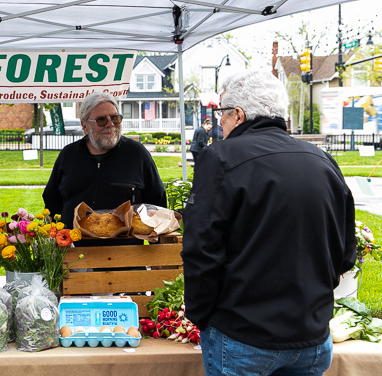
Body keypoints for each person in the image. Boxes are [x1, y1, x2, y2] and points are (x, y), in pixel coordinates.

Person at [181, 70, 356, 376]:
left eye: (223, 114)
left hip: (243, 335)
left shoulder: (220, 157)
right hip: (311, 336)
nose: (219, 122)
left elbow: (201, 249)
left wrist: (200, 314)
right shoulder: (321, 159)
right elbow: (345, 253)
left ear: (238, 114)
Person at [43, 91, 167, 228]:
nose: (110, 124)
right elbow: (51, 203)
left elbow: (157, 204)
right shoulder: (68, 155)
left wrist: (157, 246)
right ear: (85, 126)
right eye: (101, 120)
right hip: (74, 246)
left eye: (115, 118)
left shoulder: (137, 154)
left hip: (125, 248)